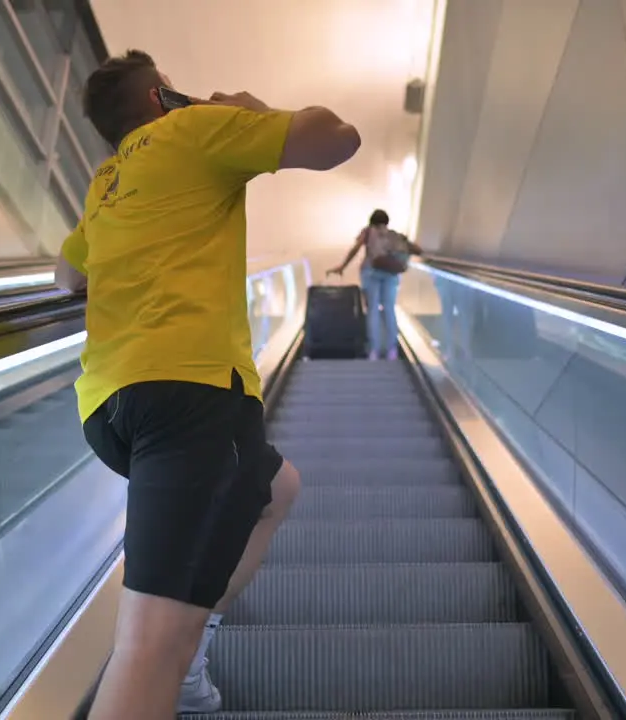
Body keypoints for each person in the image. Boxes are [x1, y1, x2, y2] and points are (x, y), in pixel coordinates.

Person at [53, 49, 360, 720]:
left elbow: (66, 276)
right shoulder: (194, 130)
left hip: (109, 407)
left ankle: (192, 652)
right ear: (164, 96)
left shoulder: (106, 179)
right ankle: (177, 658)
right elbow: (338, 138)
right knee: (145, 648)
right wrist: (244, 110)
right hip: (190, 402)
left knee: (276, 488)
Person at [327, 209, 423, 360]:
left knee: (372, 310)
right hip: (391, 275)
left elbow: (355, 249)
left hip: (371, 273)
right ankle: (392, 350)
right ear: (387, 221)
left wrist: (342, 266)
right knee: (389, 309)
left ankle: (374, 350)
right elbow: (417, 250)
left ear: (371, 221)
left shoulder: (367, 232)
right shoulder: (395, 235)